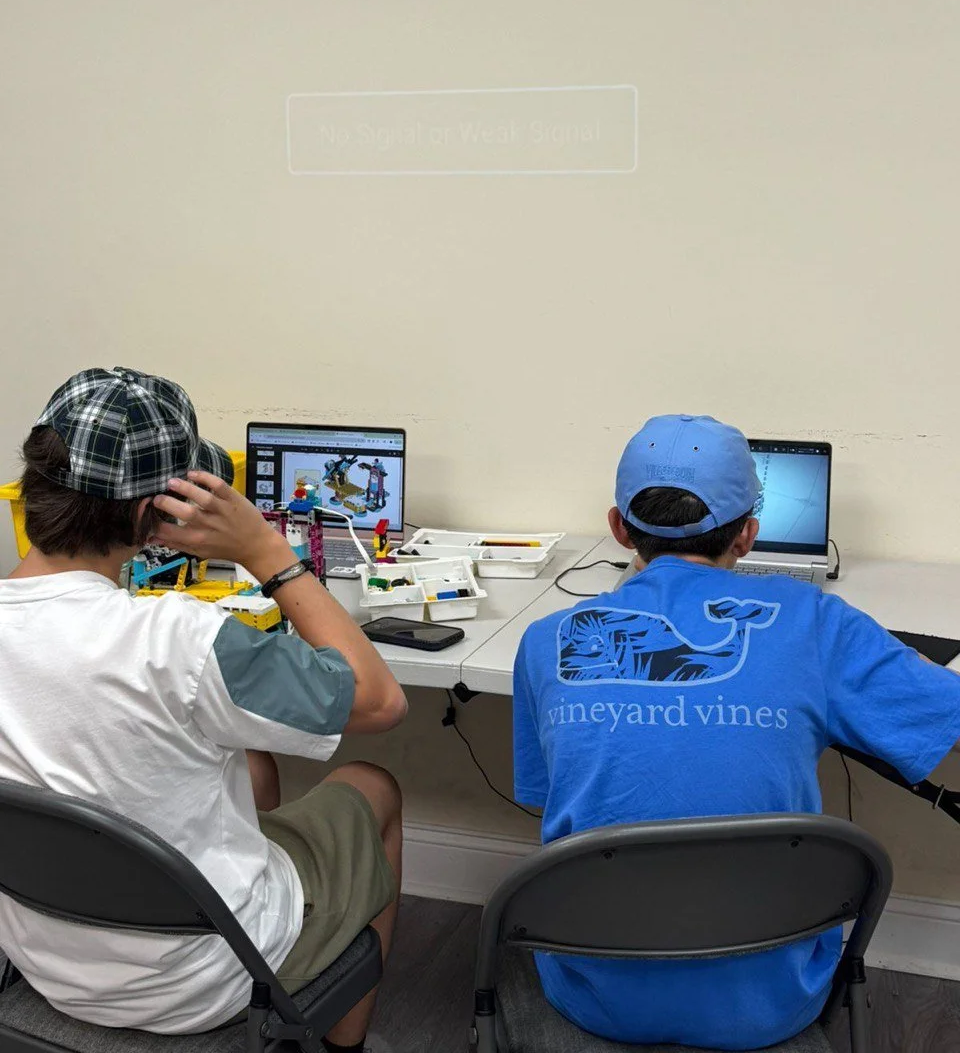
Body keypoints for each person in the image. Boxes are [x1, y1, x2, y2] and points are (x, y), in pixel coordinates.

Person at [513, 414, 960, 1050]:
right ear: (749, 534)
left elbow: (545, 795)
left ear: (618, 528)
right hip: (773, 1005)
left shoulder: (544, 641)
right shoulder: (815, 620)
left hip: (598, 997)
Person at [0, 367, 408, 1053]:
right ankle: (343, 1043)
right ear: (146, 516)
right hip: (205, 976)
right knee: (374, 786)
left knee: (250, 762)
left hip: (50, 963)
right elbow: (381, 700)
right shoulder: (181, 641)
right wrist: (266, 553)